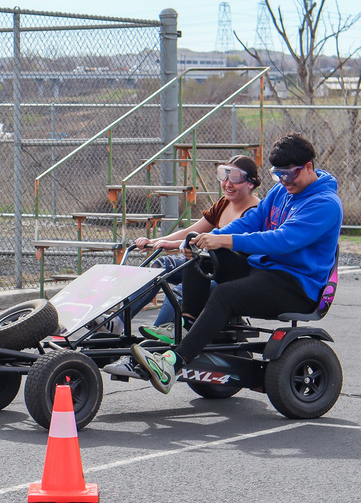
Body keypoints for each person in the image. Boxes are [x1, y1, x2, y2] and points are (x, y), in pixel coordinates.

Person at [130, 133, 343, 394]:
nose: (284, 181)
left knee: (225, 294)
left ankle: (172, 364)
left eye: (290, 174)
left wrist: (226, 240)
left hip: (297, 285)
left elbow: (282, 240)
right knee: (200, 258)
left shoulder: (325, 204)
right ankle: (185, 326)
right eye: (279, 175)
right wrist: (208, 239)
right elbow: (251, 222)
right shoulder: (280, 192)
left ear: (308, 167)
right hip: (267, 271)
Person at [100, 156, 259, 376]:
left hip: (228, 277)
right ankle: (118, 321)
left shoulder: (254, 212)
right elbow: (192, 231)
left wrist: (174, 244)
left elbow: (209, 239)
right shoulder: (224, 203)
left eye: (236, 178)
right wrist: (157, 242)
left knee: (178, 292)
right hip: (203, 265)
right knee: (160, 265)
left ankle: (141, 358)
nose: (228, 183)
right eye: (224, 175)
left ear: (251, 182)